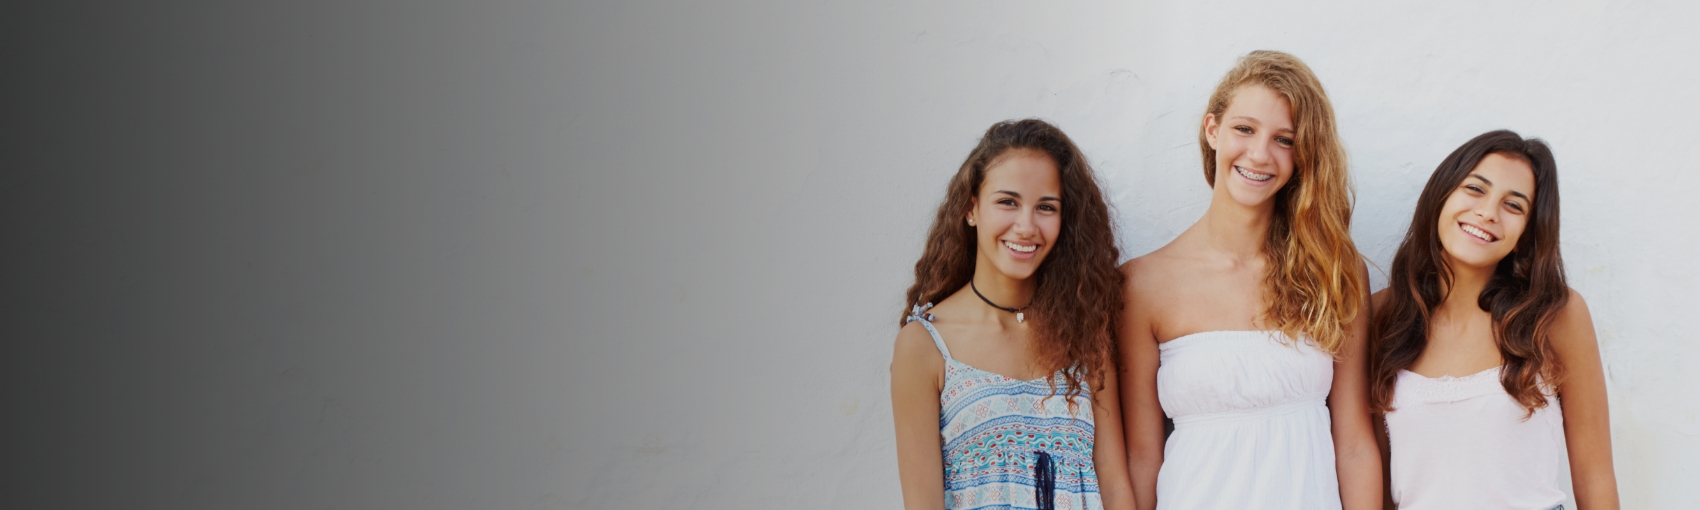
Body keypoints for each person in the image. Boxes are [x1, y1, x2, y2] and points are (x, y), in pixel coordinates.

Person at [1117, 50, 1381, 509]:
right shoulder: (1143, 285)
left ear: (1304, 155)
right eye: (1244, 129)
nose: (1260, 154)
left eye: (1285, 139)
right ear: (1212, 129)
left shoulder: (1334, 272)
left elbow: (1354, 442)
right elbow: (1142, 457)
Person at [891, 118, 1135, 510]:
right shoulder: (924, 345)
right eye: (1008, 202)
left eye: (1046, 207)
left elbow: (1115, 483)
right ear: (971, 208)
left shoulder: (1086, 334)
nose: (1026, 226)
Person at [1369, 130, 1619, 509]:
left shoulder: (1556, 316)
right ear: (1442, 196)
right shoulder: (1382, 316)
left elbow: (1595, 475)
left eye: (1514, 206)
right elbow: (1373, 474)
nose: (1488, 212)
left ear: (1525, 235)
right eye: (1474, 189)